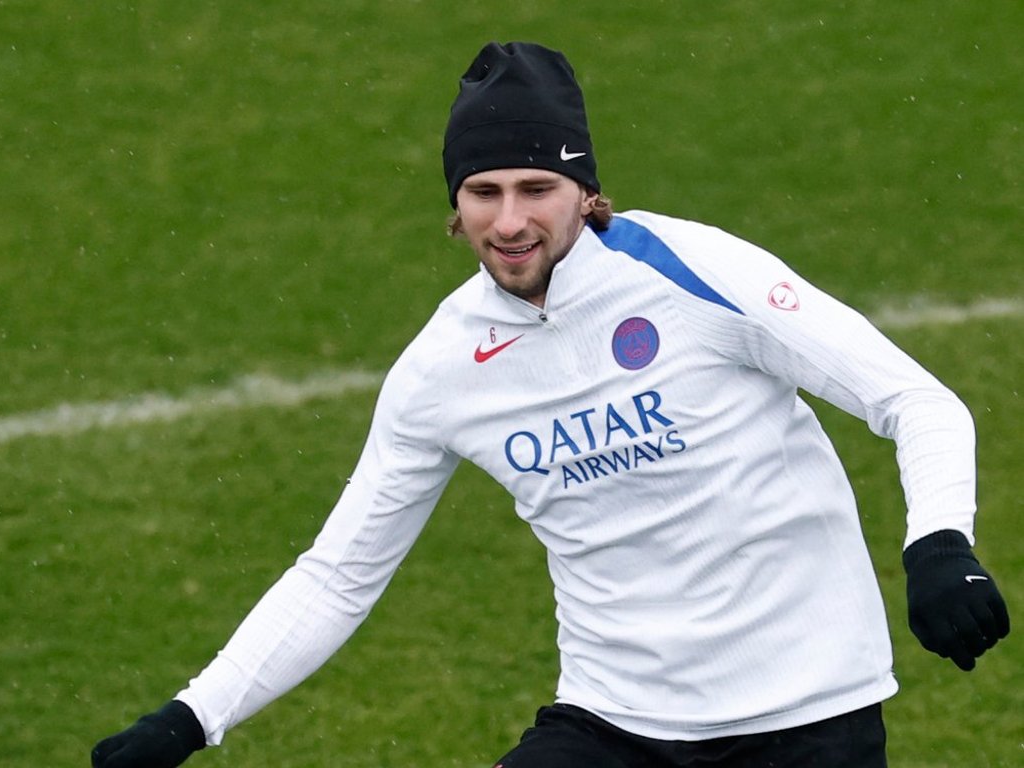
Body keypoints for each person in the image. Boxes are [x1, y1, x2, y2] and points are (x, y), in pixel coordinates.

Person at [90, 42, 1010, 768]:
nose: (509, 221)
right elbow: (339, 575)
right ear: (455, 204)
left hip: (809, 719)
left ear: (586, 190)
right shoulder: (442, 368)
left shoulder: (696, 273)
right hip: (614, 722)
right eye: (482, 192)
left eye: (537, 188)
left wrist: (938, 547)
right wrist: (189, 718)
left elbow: (916, 401)